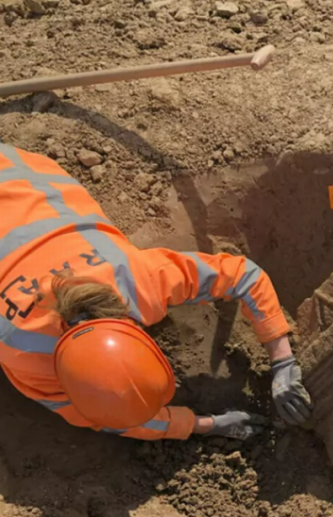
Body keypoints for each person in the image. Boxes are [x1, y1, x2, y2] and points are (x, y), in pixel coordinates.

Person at [0, 142, 312, 441]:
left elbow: (244, 275)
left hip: (21, 173)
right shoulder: (19, 352)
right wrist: (204, 425)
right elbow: (108, 417)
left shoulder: (139, 279)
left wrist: (282, 361)